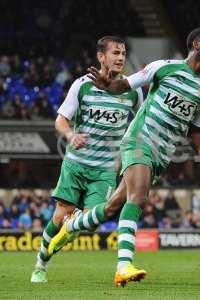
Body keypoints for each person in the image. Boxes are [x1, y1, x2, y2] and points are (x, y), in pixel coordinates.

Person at [50, 27, 200, 287]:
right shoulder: (164, 68)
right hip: (140, 139)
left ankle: (73, 225)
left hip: (163, 153)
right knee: (139, 197)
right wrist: (108, 85)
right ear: (196, 44)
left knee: (113, 206)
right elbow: (125, 84)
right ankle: (123, 265)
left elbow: (196, 132)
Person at [30, 36, 144, 283]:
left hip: (104, 170)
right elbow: (60, 120)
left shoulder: (133, 90)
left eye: (123, 53)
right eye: (115, 53)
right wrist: (71, 135)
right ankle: (41, 263)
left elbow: (140, 123)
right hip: (76, 163)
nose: (121, 57)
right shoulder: (82, 85)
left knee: (90, 222)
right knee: (60, 217)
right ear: (101, 57)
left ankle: (68, 231)